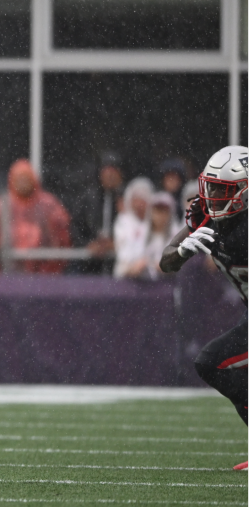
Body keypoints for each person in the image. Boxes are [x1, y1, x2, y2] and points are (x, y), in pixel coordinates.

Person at [158, 146, 249, 470]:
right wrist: (182, 250)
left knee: (214, 362)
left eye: (222, 190)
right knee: (214, 364)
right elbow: (165, 262)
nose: (212, 196)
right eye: (210, 186)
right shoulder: (207, 215)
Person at [0, 159, 72, 274]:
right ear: (12, 180)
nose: (23, 183)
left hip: (45, 274)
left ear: (33, 179)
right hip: (8, 274)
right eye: (19, 179)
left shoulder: (48, 204)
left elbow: (64, 234)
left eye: (26, 178)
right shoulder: (2, 205)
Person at [68, 152, 125, 276]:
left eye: (114, 170)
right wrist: (88, 244)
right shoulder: (87, 198)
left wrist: (117, 243)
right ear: (100, 174)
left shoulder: (127, 199)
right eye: (106, 170)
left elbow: (136, 227)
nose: (110, 175)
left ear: (120, 174)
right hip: (89, 265)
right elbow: (75, 227)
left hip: (119, 264)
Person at [115, 192, 178, 280]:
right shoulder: (139, 233)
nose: (160, 216)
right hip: (140, 285)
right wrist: (134, 267)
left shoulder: (177, 236)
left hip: (168, 286)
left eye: (164, 211)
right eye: (157, 211)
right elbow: (124, 262)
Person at [111, 177, 154, 278]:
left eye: (142, 200)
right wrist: (134, 266)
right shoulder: (122, 221)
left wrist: (146, 262)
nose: (139, 204)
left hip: (151, 275)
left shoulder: (155, 221)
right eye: (136, 200)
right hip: (125, 272)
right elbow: (122, 247)